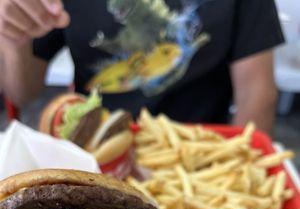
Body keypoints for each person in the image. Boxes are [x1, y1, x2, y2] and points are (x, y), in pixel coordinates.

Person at [0, 0, 284, 132]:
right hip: (94, 142)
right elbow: (23, 92)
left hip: (200, 149)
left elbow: (256, 95)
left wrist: (239, 170)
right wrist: (12, 38)